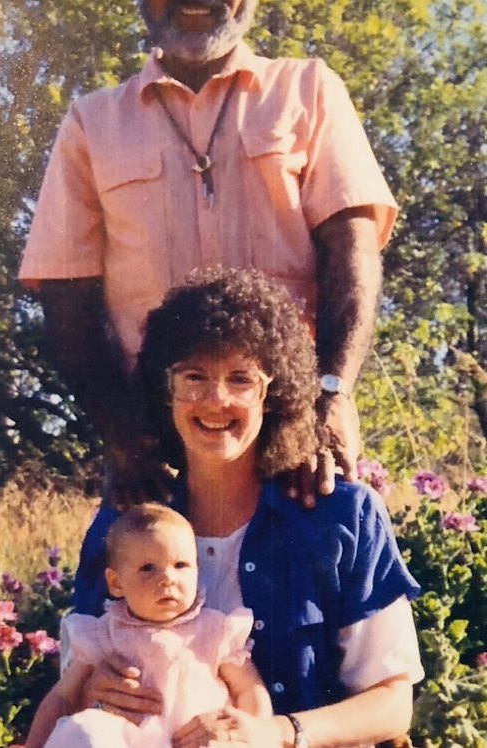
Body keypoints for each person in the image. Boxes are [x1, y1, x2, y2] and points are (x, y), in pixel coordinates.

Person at [18, 0, 399, 503]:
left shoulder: (309, 91)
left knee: (328, 594)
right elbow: (67, 303)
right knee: (139, 601)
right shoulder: (92, 123)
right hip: (160, 465)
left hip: (299, 453)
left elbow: (353, 255)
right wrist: (126, 439)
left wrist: (332, 396)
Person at [71, 268, 424, 748]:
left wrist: (277, 732)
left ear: (273, 394)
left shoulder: (342, 517)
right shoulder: (121, 524)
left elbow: (392, 702)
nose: (217, 400)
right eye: (194, 377)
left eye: (241, 379)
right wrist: (93, 688)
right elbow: (76, 680)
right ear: (164, 390)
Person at [26, 503, 272, 748]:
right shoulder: (103, 634)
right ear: (116, 583)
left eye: (181, 565)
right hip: (126, 741)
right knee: (84, 730)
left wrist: (254, 733)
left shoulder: (216, 631)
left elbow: (250, 691)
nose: (168, 579)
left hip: (194, 739)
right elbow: (61, 698)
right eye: (148, 568)